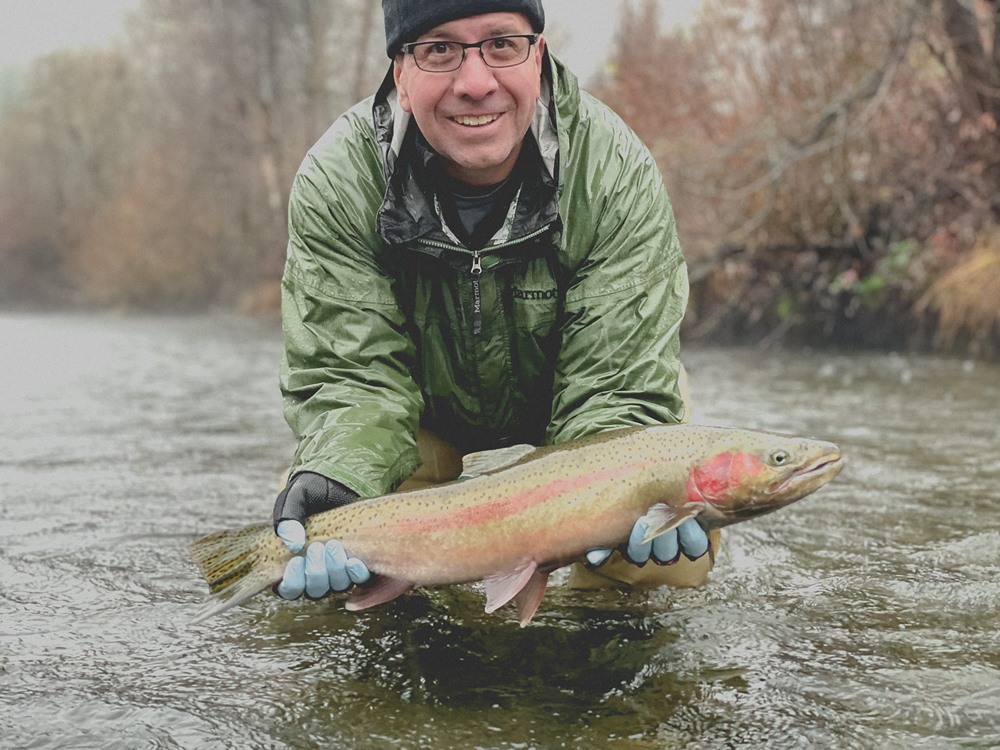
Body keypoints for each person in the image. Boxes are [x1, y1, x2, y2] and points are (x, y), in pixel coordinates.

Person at [271, 0, 720, 602]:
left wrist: (618, 496)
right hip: (413, 416)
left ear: (538, 55)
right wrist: (338, 474)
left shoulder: (612, 171)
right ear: (400, 76)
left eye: (502, 44)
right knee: (326, 549)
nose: (476, 83)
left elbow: (617, 383)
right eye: (438, 49)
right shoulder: (340, 179)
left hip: (574, 413)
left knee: (661, 558)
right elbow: (353, 378)